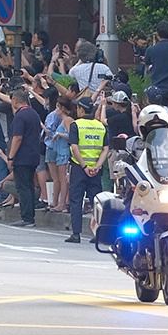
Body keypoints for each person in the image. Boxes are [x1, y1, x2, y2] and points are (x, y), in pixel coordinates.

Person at [64, 96, 108, 243]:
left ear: (81, 109)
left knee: (76, 200)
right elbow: (105, 149)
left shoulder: (76, 125)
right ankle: (98, 234)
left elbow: (74, 147)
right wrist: (97, 166)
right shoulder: (101, 126)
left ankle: (76, 234)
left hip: (79, 168)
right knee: (96, 201)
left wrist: (84, 166)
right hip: (96, 170)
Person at [7, 93, 44, 228]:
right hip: (33, 155)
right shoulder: (34, 114)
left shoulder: (20, 116)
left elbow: (17, 137)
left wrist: (10, 157)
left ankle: (26, 217)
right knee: (29, 186)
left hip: (22, 156)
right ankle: (30, 215)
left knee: (22, 187)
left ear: (15, 99)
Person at [144, 22, 168, 103]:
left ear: (157, 34)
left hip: (157, 89)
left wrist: (154, 43)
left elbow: (147, 61)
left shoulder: (151, 49)